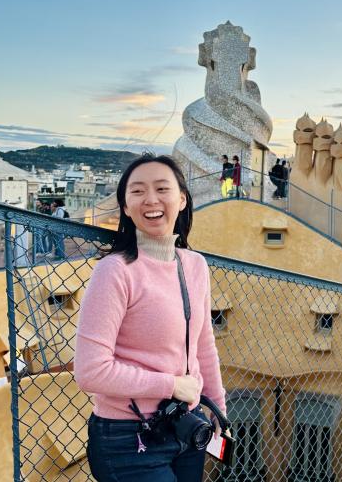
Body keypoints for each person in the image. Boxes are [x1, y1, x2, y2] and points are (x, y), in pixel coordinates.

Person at [74, 154, 227, 481]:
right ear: (126, 207)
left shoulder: (195, 265)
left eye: (162, 188)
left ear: (182, 199)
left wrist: (218, 409)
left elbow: (203, 347)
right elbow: (90, 371)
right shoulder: (114, 272)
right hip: (129, 438)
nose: (151, 200)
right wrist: (170, 385)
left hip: (187, 426)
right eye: (138, 191)